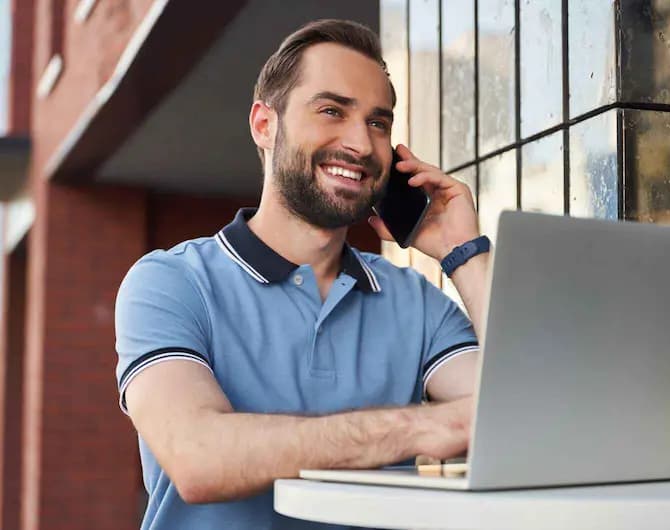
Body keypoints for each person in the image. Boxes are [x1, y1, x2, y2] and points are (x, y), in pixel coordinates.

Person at [115, 18, 490, 530]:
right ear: (264, 125)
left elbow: (527, 411)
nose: (360, 144)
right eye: (332, 111)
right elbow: (198, 458)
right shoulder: (170, 282)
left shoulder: (413, 300)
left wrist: (462, 252)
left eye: (379, 123)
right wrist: (424, 427)